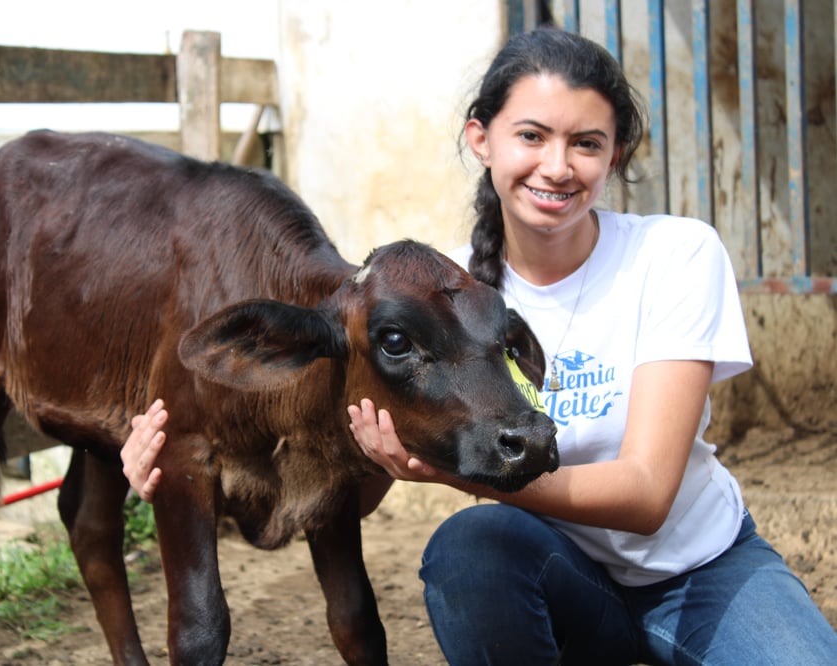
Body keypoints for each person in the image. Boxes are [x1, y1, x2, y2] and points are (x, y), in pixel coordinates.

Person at [123, 27, 837, 665]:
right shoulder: (438, 294)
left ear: (616, 154)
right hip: (552, 575)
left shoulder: (676, 254)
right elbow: (364, 477)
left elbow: (648, 494)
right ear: (481, 139)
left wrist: (453, 475)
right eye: (531, 136)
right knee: (468, 553)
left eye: (586, 143)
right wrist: (175, 474)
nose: (556, 166)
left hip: (701, 571)